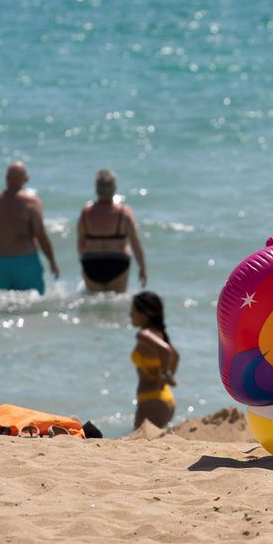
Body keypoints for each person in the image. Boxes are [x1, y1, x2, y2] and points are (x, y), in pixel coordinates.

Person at [0, 161, 60, 295]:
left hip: (0, 262)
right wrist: (52, 261)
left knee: (7, 305)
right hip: (26, 260)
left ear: (6, 179)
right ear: (26, 179)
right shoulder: (31, 202)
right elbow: (41, 235)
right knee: (34, 302)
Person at [77, 168, 147, 294]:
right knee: (116, 305)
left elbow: (81, 243)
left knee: (94, 304)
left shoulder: (86, 212)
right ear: (114, 188)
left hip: (91, 263)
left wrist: (82, 266)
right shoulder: (124, 213)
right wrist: (142, 268)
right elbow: (135, 243)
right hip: (117, 262)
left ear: (96, 189)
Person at [129, 291, 179, 428]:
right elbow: (175, 355)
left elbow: (166, 351)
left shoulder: (143, 335)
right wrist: (167, 377)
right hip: (163, 398)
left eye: (132, 310)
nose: (130, 314)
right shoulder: (160, 334)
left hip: (152, 401)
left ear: (145, 313)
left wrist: (165, 375)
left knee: (138, 443)